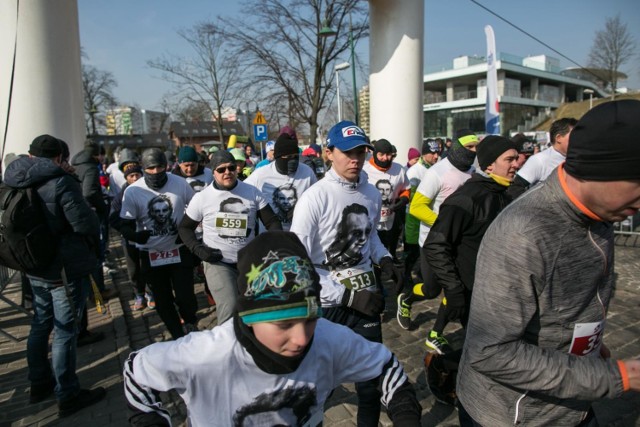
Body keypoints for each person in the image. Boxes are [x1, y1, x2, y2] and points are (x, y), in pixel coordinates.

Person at [457, 100, 640, 426]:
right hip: (514, 415)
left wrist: (592, 349)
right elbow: (489, 352)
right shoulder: (523, 233)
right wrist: (617, 377)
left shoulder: (602, 213)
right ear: (598, 170)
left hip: (574, 401)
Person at [124, 231, 421, 426]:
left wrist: (406, 414)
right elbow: (136, 370)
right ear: (251, 316)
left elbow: (386, 367)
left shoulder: (329, 339)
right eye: (284, 323)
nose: (302, 338)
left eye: (310, 318)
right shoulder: (204, 355)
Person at [290, 121, 403, 427]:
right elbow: (298, 262)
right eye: (347, 152)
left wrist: (386, 260)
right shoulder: (314, 198)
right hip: (329, 306)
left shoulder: (370, 192)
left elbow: (373, 236)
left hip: (366, 298)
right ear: (329, 153)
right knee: (321, 387)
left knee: (369, 383)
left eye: (361, 152)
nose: (355, 158)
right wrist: (347, 295)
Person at [4, 135, 106, 416]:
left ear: (31, 155)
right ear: (60, 158)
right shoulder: (60, 181)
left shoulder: (13, 177)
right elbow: (83, 223)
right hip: (64, 268)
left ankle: (39, 383)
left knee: (40, 324)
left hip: (34, 265)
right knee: (65, 332)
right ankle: (68, 393)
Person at [412, 136, 517, 339]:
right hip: (471, 289)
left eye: (516, 158)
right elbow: (435, 243)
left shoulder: (506, 193)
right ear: (489, 166)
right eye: (509, 160)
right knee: (481, 347)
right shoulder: (464, 196)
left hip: (494, 287)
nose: (516, 164)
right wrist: (453, 289)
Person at [178, 150, 282, 326]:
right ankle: (227, 348)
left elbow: (272, 222)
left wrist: (271, 246)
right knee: (230, 306)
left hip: (248, 261)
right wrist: (200, 251)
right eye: (221, 169)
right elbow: (184, 228)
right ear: (213, 172)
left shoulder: (252, 192)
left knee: (258, 307)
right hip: (218, 262)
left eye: (231, 168)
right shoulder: (202, 198)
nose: (227, 172)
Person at [402, 129, 478, 352]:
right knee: (431, 290)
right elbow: (416, 207)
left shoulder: (474, 172)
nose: (474, 152)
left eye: (476, 148)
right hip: (434, 242)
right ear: (457, 146)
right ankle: (406, 299)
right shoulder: (437, 172)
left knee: (456, 286)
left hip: (459, 244)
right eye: (470, 147)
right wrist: (445, 225)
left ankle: (436, 333)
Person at [120, 148, 198, 339]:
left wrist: (187, 231)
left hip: (179, 249)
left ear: (167, 166)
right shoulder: (133, 191)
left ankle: (190, 322)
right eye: (151, 168)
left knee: (185, 296)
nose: (156, 172)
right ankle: (177, 333)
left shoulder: (179, 183)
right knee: (163, 301)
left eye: (160, 167)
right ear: (143, 168)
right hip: (151, 253)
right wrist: (135, 236)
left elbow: (198, 208)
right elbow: (124, 223)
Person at [245, 133, 317, 231]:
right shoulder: (261, 174)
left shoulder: (307, 172)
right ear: (278, 157)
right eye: (288, 157)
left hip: (298, 235)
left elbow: (317, 198)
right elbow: (242, 190)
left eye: (295, 156)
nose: (293, 160)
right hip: (270, 236)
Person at [402, 139, 441, 291]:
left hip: (428, 215)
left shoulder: (434, 168)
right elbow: (411, 199)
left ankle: (422, 273)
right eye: (432, 153)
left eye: (438, 152)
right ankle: (405, 275)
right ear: (424, 154)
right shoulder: (414, 172)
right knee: (412, 251)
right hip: (413, 218)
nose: (436, 156)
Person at [362, 139, 410, 260]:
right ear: (375, 154)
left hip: (391, 218)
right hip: (370, 220)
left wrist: (403, 200)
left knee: (388, 247)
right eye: (381, 154)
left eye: (388, 154)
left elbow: (406, 188)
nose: (385, 158)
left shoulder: (399, 169)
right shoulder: (364, 170)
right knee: (372, 251)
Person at [508, 117, 577, 199]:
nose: (580, 140)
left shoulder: (580, 158)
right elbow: (515, 189)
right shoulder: (539, 160)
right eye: (575, 135)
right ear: (558, 138)